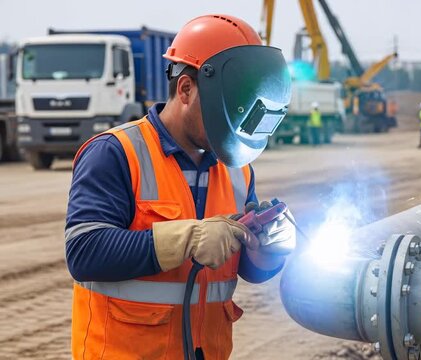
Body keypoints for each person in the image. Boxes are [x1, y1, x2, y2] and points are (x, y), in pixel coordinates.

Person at [65, 15, 295, 359]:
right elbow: (85, 252)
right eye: (226, 112)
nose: (233, 130)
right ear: (186, 89)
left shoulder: (237, 170)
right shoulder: (116, 153)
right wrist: (188, 239)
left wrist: (265, 253)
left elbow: (244, 268)